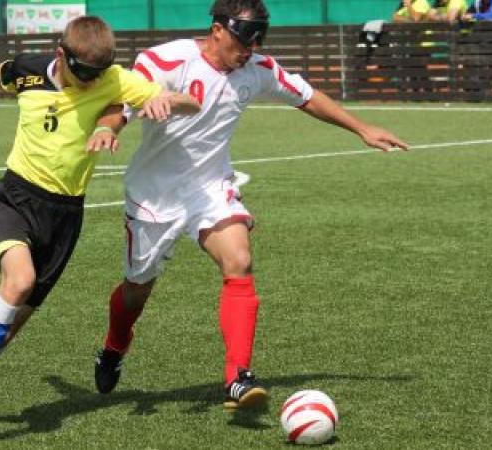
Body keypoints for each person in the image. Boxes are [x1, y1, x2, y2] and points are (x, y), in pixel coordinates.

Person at [91, 0, 409, 411]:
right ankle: (114, 347)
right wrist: (107, 126)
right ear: (218, 29)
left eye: (259, 37)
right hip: (154, 193)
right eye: (245, 36)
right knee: (137, 289)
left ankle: (237, 376)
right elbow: (122, 103)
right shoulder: (165, 60)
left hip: (210, 187)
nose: (251, 46)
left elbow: (307, 97)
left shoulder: (257, 69)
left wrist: (363, 129)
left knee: (239, 260)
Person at [0, 16, 200, 429]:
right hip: (15, 197)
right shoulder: (28, 69)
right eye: (83, 73)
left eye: (97, 75)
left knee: (10, 324)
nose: (91, 83)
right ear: (60, 55)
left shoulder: (114, 79)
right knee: (18, 281)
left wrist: (165, 101)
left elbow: (191, 102)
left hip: (65, 215)